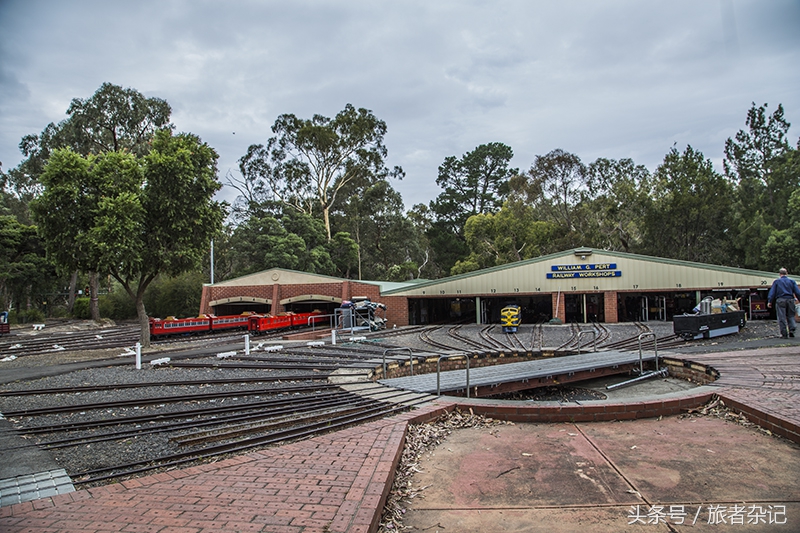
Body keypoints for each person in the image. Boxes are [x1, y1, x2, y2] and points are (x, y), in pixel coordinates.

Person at [766, 268, 800, 338]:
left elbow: (772, 292)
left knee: (782, 317)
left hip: (780, 300)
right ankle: (792, 329)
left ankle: (784, 333)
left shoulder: (777, 282)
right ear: (787, 273)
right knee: (791, 315)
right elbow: (797, 292)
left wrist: (770, 301)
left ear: (779, 274)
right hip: (790, 299)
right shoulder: (792, 281)